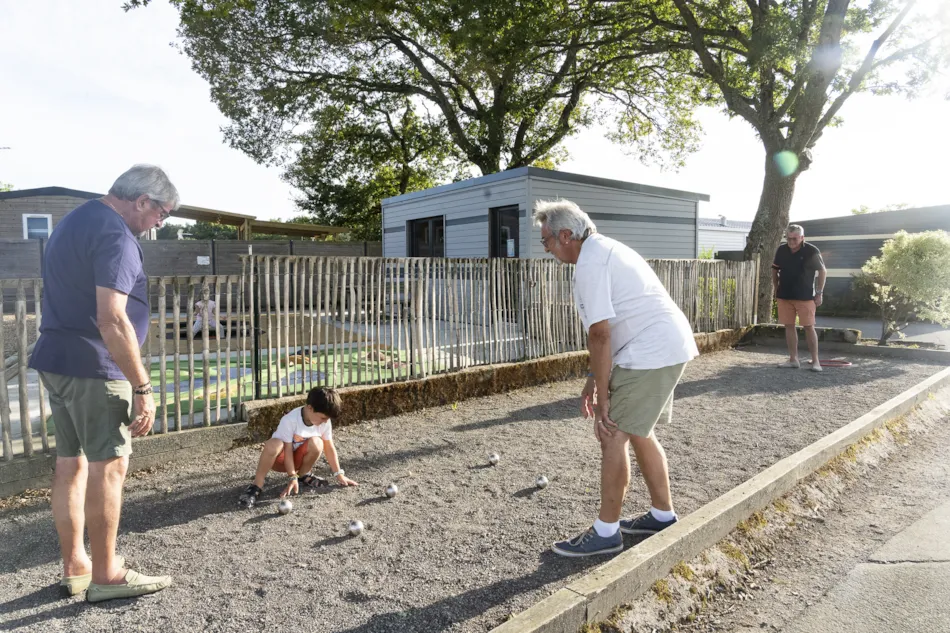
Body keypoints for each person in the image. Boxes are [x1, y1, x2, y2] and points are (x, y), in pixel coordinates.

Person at [29, 164, 177, 602]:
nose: (160, 223)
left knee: (70, 463)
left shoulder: (74, 221)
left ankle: (77, 565)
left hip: (56, 358)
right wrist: (143, 387)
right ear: (141, 201)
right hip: (94, 365)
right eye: (161, 213)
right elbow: (111, 318)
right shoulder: (116, 235)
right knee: (108, 466)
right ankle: (107, 574)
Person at [533, 200, 699, 557]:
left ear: (566, 235)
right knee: (639, 431)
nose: (546, 249)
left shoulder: (591, 263)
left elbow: (600, 334)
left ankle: (607, 532)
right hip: (662, 345)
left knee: (612, 434)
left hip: (650, 350)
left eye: (546, 240)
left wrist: (604, 400)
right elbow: (610, 331)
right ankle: (662, 515)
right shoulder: (604, 250)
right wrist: (596, 378)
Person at [238, 387, 358, 508]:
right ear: (310, 408)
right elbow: (288, 449)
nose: (325, 422)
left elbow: (329, 447)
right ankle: (256, 486)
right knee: (273, 444)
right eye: (323, 418)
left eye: (327, 419)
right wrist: (291, 476)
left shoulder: (324, 422)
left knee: (317, 443)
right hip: (280, 459)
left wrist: (339, 474)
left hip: (299, 460)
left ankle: (303, 475)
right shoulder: (290, 420)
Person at [771, 224, 826, 372]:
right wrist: (776, 289)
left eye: (794, 239)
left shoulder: (811, 250)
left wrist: (819, 292)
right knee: (789, 326)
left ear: (802, 237)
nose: (791, 242)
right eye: (788, 239)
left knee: (809, 327)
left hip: (805, 296)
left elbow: (822, 271)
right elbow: (775, 270)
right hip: (785, 296)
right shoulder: (782, 250)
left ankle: (816, 362)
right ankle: (793, 359)